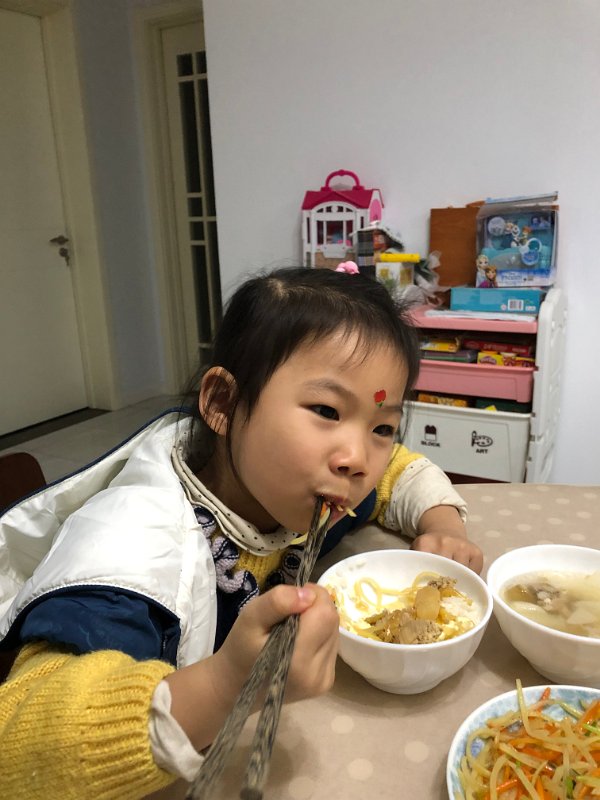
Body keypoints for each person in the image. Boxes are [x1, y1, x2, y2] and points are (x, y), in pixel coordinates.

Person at [0, 266, 481, 799]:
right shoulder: (133, 548)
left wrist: (442, 520)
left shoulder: (311, 486)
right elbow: (20, 745)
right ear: (223, 405)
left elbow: (398, 472)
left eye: (381, 427)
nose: (358, 458)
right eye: (326, 410)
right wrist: (224, 685)